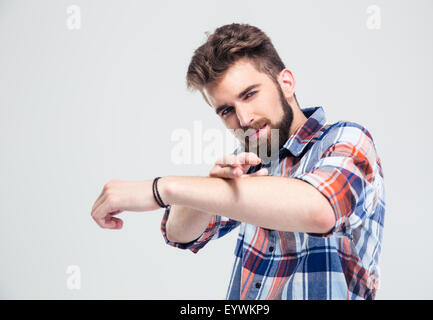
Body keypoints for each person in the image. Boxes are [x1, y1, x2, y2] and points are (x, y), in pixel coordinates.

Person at [91, 23, 385, 300]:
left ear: (286, 82)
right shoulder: (252, 160)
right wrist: (213, 187)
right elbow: (179, 233)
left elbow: (320, 211)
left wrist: (162, 188)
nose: (243, 119)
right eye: (226, 110)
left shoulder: (346, 138)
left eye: (250, 94)